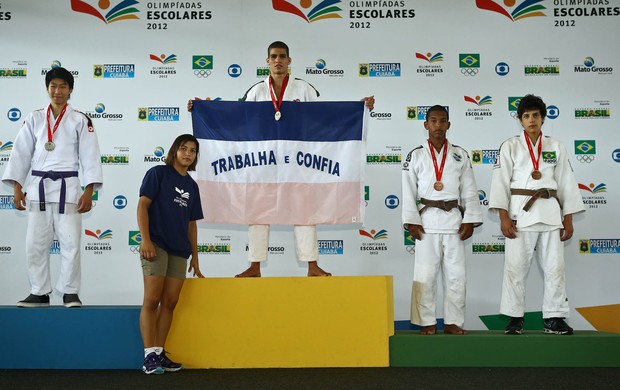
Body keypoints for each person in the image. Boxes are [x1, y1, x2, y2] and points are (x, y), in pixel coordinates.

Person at [188, 41, 374, 278]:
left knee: (305, 210)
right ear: (267, 61)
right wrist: (203, 109)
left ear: (289, 61)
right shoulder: (257, 91)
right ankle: (254, 266)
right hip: (262, 163)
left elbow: (325, 118)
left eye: (282, 56)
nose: (278, 60)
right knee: (256, 211)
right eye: (273, 56)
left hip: (297, 163)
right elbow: (238, 120)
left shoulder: (304, 89)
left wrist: (360, 109)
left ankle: (312, 265)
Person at [2, 67, 102, 308]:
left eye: (63, 86)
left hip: (69, 188)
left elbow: (90, 157)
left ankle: (70, 292)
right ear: (47, 88)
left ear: (70, 90)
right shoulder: (34, 117)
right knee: (35, 243)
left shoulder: (80, 119)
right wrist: (17, 186)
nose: (58, 91)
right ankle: (39, 291)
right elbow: (20, 154)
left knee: (71, 243)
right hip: (39, 187)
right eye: (53, 86)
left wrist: (89, 190)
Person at [488, 94, 585, 336]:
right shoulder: (510, 146)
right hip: (521, 214)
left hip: (551, 213)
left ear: (543, 118)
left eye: (536, 115)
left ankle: (554, 318)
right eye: (526, 116)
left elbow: (566, 183)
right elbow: (500, 183)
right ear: (520, 120)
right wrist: (503, 217)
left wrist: (568, 218)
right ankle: (515, 318)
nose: (531, 120)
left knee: (555, 268)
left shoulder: (556, 146)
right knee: (515, 268)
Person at [401, 105, 482, 335]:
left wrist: (470, 219)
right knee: (425, 275)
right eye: (433, 121)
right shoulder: (415, 155)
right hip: (427, 221)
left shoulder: (460, 154)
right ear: (426, 125)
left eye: (443, 120)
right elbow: (408, 190)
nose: (438, 125)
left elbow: (469, 189)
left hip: (454, 221)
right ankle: (427, 322)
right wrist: (411, 220)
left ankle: (453, 322)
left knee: (457, 275)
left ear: (449, 124)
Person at [137, 134, 205, 374]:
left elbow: (191, 224)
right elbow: (142, 205)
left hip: (179, 250)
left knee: (170, 302)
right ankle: (148, 356)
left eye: (193, 150)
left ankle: (159, 353)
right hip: (156, 244)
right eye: (184, 148)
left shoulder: (192, 186)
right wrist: (145, 239)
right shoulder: (158, 173)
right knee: (152, 299)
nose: (188, 153)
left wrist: (195, 257)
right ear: (175, 151)